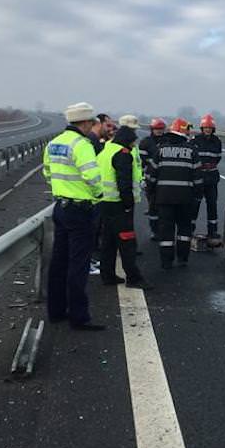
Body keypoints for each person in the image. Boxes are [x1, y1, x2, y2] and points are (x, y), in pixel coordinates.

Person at [42, 102, 105, 330]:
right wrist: (98, 195)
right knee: (78, 264)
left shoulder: (55, 143)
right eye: (92, 123)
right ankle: (79, 317)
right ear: (86, 122)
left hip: (61, 207)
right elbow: (92, 177)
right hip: (80, 210)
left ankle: (56, 311)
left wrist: (62, 191)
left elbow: (47, 172)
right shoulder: (82, 145)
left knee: (59, 262)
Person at [96, 116, 153, 290]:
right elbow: (124, 183)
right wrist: (128, 204)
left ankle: (107, 275)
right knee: (127, 242)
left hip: (104, 201)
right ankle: (134, 278)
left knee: (108, 241)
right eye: (133, 142)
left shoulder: (106, 149)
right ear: (127, 141)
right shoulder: (122, 154)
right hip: (119, 204)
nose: (134, 145)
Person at [150, 118, 202, 269]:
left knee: (166, 231)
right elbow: (198, 178)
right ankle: (182, 259)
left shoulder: (160, 150)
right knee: (184, 230)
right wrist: (197, 196)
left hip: (164, 199)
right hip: (185, 199)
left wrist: (152, 193)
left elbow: (151, 175)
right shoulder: (192, 151)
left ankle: (166, 262)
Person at [87, 113, 115, 275]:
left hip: (90, 196)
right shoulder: (91, 142)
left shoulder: (95, 141)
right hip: (90, 197)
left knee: (92, 231)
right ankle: (86, 263)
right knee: (88, 232)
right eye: (108, 126)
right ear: (99, 124)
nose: (110, 130)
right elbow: (91, 172)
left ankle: (89, 260)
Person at [191, 114, 223, 244]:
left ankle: (212, 231)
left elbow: (218, 157)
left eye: (210, 128)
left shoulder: (217, 141)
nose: (207, 130)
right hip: (198, 178)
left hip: (212, 178)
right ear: (202, 128)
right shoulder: (195, 140)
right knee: (194, 205)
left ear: (213, 129)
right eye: (205, 128)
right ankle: (189, 229)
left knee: (212, 205)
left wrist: (209, 165)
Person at [139, 118, 167, 239]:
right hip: (150, 177)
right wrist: (142, 178)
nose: (159, 131)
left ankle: (163, 228)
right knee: (153, 205)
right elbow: (141, 162)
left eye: (161, 129)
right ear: (152, 129)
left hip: (165, 177)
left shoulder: (168, 141)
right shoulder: (146, 142)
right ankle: (155, 230)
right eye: (157, 129)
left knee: (164, 205)